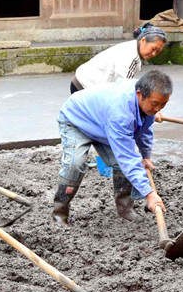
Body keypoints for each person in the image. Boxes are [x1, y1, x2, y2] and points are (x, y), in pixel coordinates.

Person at [52, 70, 171, 225]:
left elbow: (144, 128)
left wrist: (146, 155)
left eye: (163, 104)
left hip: (103, 124)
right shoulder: (121, 114)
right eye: (155, 104)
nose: (158, 109)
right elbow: (127, 157)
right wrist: (149, 194)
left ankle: (125, 210)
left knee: (122, 165)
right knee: (74, 164)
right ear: (139, 94)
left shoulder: (149, 100)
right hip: (76, 119)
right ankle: (59, 214)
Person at [69, 22, 167, 178]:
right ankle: (104, 168)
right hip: (86, 86)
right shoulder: (131, 57)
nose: (154, 53)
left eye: (158, 51)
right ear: (143, 41)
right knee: (110, 128)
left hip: (84, 83)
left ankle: (101, 165)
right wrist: (149, 110)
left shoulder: (132, 51)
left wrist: (152, 109)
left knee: (104, 129)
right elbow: (124, 91)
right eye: (153, 48)